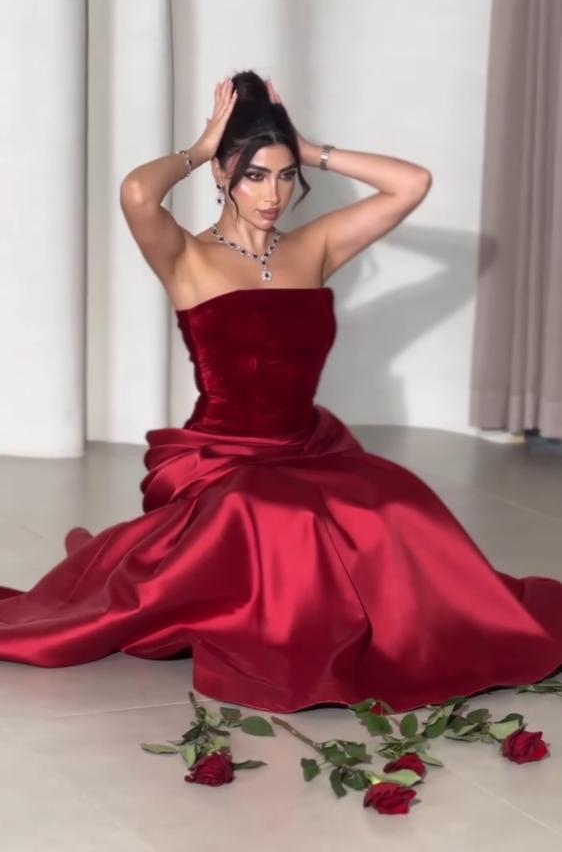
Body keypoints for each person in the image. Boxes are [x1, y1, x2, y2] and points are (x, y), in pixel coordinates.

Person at [1, 69, 561, 715]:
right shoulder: (187, 256)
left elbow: (412, 183)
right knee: (274, 515)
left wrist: (309, 147)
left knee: (399, 502)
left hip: (308, 448)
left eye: (286, 176)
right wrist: (203, 146)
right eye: (253, 176)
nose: (273, 194)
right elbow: (136, 192)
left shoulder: (313, 248)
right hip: (223, 459)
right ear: (223, 176)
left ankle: (421, 638)